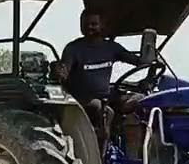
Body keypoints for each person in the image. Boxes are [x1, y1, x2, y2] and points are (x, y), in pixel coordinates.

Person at [53, 8, 148, 153]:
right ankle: (101, 162)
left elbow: (137, 61)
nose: (90, 27)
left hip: (106, 95)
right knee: (105, 111)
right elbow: (65, 68)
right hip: (83, 98)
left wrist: (148, 57)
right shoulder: (74, 49)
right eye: (86, 24)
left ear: (102, 26)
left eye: (93, 24)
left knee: (141, 101)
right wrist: (61, 71)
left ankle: (136, 154)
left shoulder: (111, 48)